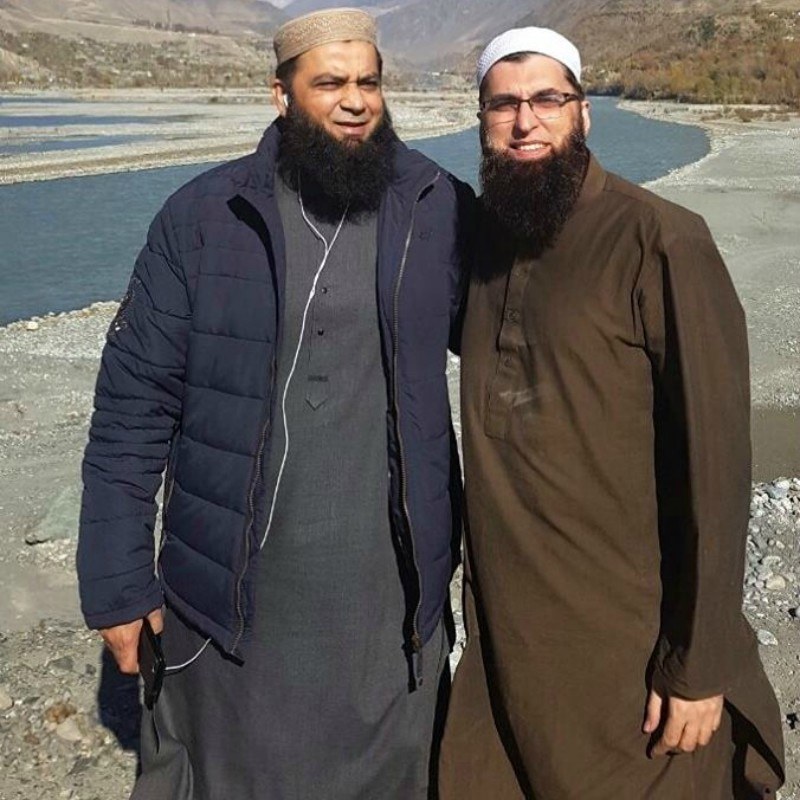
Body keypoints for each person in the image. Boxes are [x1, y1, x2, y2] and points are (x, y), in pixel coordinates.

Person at [77, 8, 474, 798]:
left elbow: (520, 345)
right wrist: (118, 586)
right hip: (236, 601)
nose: (356, 100)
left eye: (369, 81)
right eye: (329, 83)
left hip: (388, 593)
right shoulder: (203, 219)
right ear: (281, 94)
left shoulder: (436, 209)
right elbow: (132, 406)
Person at [438, 26, 784, 799]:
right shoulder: (486, 242)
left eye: (547, 100)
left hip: (628, 635)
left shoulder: (661, 240)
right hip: (509, 629)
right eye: (504, 104)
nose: (525, 121)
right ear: (482, 118)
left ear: (583, 113)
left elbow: (718, 468)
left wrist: (700, 664)